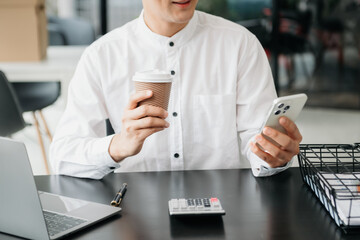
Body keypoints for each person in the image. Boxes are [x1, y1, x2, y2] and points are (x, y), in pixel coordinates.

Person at [50, 0, 303, 180]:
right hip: (135, 216)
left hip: (225, 211)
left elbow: (259, 143)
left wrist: (274, 157)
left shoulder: (239, 44)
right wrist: (117, 146)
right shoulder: (102, 55)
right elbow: (62, 157)